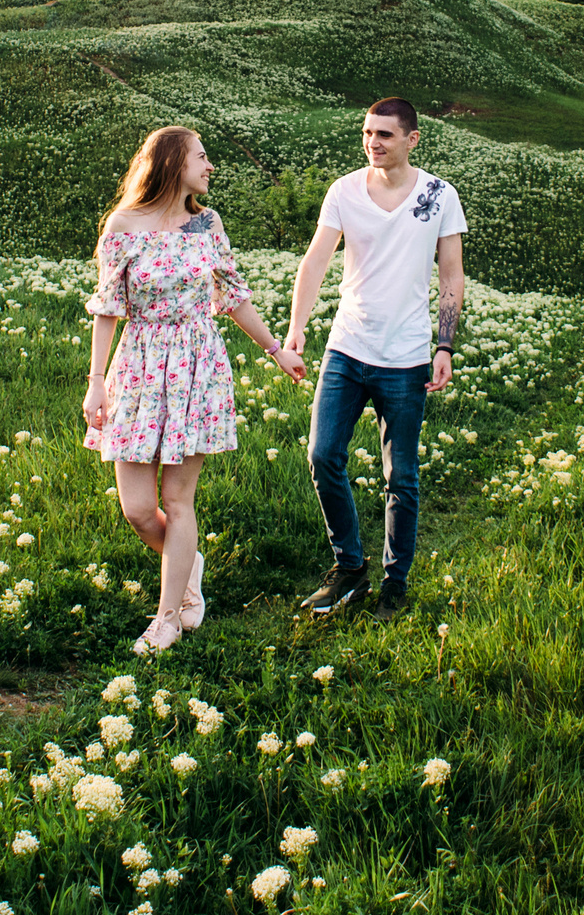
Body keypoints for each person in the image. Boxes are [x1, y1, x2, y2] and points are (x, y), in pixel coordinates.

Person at [83, 125, 286, 655]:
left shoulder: (207, 224)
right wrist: (96, 383)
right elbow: (108, 308)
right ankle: (186, 563)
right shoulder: (123, 225)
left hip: (197, 368)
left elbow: (232, 295)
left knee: (178, 499)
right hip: (139, 365)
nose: (210, 165)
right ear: (173, 162)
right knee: (138, 510)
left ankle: (168, 617)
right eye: (202, 156)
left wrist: (275, 350)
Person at [282, 96, 466, 619]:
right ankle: (349, 567)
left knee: (401, 476)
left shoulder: (439, 195)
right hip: (347, 347)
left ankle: (395, 582)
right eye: (367, 132)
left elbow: (450, 275)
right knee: (322, 455)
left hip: (406, 356)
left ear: (412, 139)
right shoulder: (344, 190)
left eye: (384, 134)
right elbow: (316, 261)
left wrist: (444, 345)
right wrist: (296, 330)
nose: (373, 142)